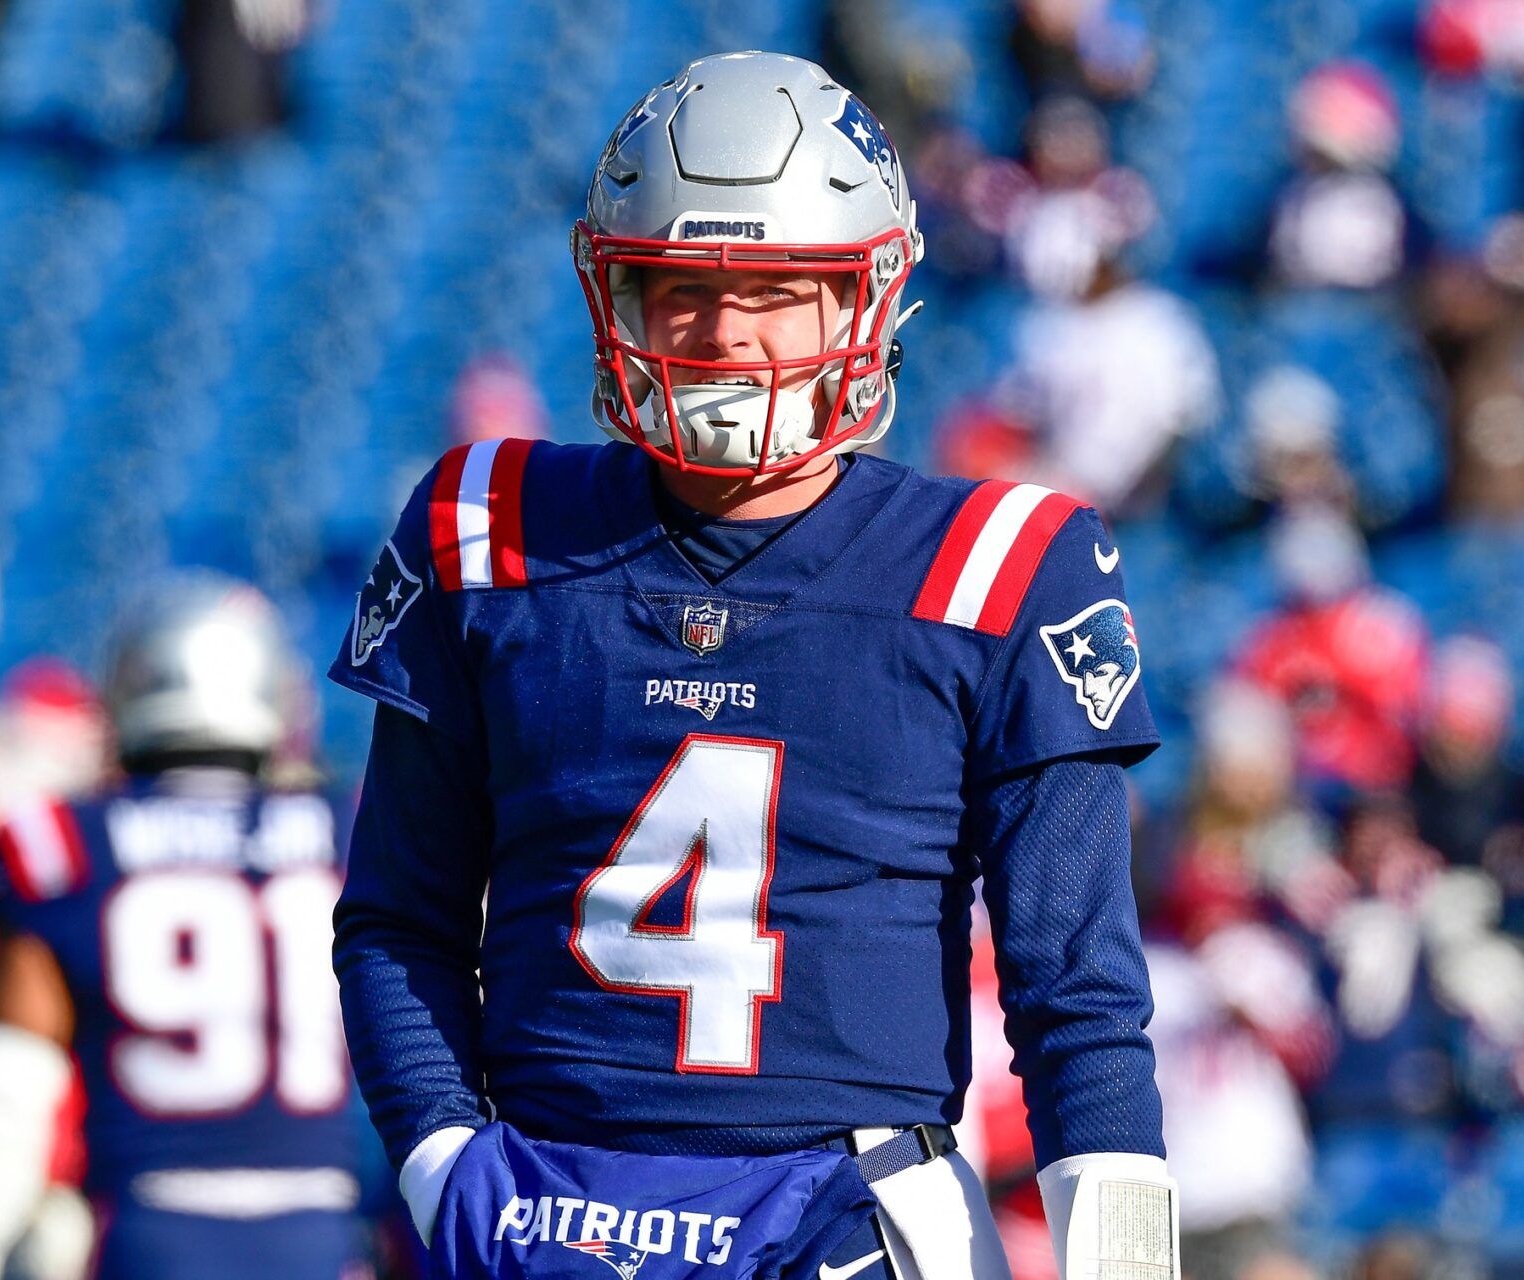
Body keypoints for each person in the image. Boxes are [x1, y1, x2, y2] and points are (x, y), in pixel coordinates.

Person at [330, 52, 1176, 1280]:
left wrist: (1131, 1269)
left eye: (779, 289)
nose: (724, 333)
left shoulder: (1002, 564)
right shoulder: (488, 524)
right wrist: (441, 1159)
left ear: (866, 299)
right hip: (544, 1204)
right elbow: (397, 915)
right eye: (677, 287)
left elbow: (1079, 990)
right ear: (612, 295)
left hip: (848, 1213)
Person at [0, 575, 363, 1280]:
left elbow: (6, 1089)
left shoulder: (70, 842)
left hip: (155, 1234)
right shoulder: (347, 834)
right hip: (318, 1234)